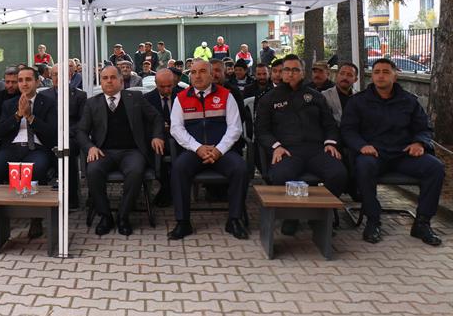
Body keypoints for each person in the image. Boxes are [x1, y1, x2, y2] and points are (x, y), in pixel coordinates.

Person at [341, 58, 444, 246]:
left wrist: (419, 143)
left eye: (386, 72)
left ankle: (422, 223)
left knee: (435, 168)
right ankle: (373, 221)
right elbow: (348, 130)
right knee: (364, 166)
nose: (381, 76)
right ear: (372, 76)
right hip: (374, 154)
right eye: (377, 72)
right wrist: (361, 146)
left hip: (403, 154)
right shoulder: (358, 101)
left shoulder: (409, 101)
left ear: (395, 76)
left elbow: (424, 128)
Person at [255, 54, 347, 235]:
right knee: (281, 175)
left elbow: (330, 125)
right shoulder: (269, 98)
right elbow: (261, 131)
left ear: (303, 73)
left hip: (316, 150)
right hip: (287, 151)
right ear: (281, 73)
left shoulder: (316, 97)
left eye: (295, 70)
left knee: (339, 174)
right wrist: (275, 146)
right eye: (287, 70)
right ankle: (291, 216)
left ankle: (319, 216)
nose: (291, 74)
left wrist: (331, 143)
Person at [77, 66, 165, 236]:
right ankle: (105, 216)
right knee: (93, 171)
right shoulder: (92, 103)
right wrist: (90, 147)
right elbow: (80, 131)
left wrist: (157, 136)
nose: (109, 81)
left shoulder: (135, 98)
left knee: (136, 171)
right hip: (103, 152)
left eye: (112, 77)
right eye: (105, 78)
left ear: (120, 81)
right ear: (100, 82)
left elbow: (156, 118)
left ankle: (123, 217)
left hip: (132, 151)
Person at [169, 59, 248, 240]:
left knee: (240, 169)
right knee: (178, 169)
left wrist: (219, 150)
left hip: (222, 151)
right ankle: (183, 222)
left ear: (212, 75)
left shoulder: (226, 95)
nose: (197, 76)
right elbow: (176, 129)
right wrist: (198, 148)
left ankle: (234, 219)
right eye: (193, 72)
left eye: (203, 71)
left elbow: (235, 128)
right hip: (194, 151)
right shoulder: (181, 98)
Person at [0, 67, 57, 238]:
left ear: (37, 82)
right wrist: (18, 115)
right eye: (20, 80)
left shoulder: (48, 103)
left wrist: (31, 117)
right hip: (12, 147)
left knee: (35, 169)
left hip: (37, 148)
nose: (24, 84)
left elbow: (52, 132)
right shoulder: (9, 104)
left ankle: (36, 219)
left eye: (28, 80)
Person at [41, 63, 86, 209]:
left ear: (69, 76)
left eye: (61, 74)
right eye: (55, 74)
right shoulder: (43, 95)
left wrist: (66, 134)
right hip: (48, 137)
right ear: (50, 76)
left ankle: (71, 198)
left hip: (70, 137)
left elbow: (82, 122)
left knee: (66, 150)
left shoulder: (80, 95)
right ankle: (45, 197)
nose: (58, 77)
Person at [143, 69, 177, 207]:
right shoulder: (147, 99)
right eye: (162, 87)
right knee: (155, 151)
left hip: (179, 138)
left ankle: (169, 189)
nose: (167, 90)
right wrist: (159, 129)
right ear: (156, 84)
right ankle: (167, 187)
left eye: (170, 86)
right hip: (157, 139)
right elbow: (144, 124)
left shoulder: (182, 95)